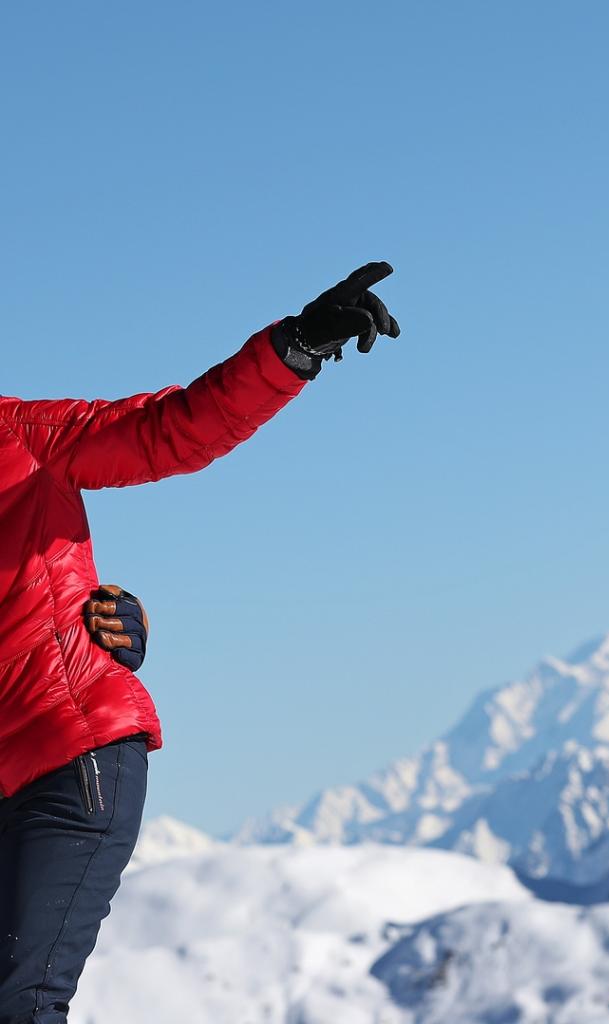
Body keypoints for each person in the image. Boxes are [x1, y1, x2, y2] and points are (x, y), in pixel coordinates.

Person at [0, 262, 400, 1023]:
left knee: (23, 1003)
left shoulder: (20, 437)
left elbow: (167, 432)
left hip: (68, 755)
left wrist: (293, 347)